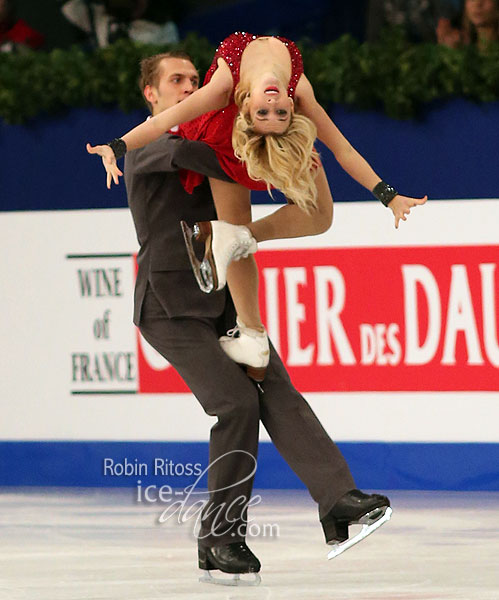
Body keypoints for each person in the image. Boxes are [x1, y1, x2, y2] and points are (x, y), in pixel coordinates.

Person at [118, 49, 392, 586]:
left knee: (275, 388)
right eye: (176, 81)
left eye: (195, 80)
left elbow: (245, 214)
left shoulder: (223, 135)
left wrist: (283, 152)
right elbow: (200, 156)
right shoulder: (150, 144)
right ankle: (220, 536)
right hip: (169, 307)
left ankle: (339, 503)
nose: (189, 88)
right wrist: (269, 147)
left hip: (219, 299)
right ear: (152, 95)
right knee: (237, 402)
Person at [87, 31, 427, 383]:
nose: (273, 100)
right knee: (259, 234)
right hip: (223, 138)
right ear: (284, 109)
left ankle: (237, 255)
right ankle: (251, 331)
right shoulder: (292, 92)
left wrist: (388, 196)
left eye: (271, 110)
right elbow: (159, 121)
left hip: (238, 139)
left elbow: (344, 151)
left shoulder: (228, 87)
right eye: (276, 111)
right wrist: (118, 147)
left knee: (320, 215)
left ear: (247, 103)